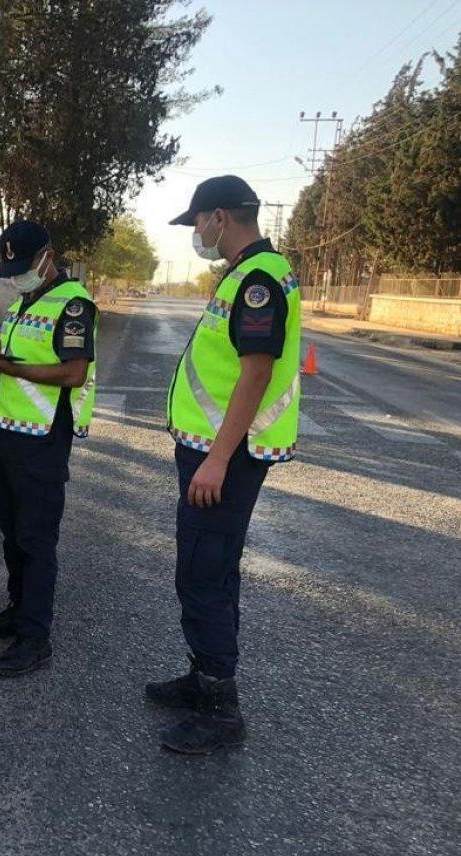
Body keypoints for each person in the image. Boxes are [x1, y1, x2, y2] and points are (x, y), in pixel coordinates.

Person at [147, 175, 301, 754]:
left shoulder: (258, 279)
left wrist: (216, 460)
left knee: (203, 571)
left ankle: (220, 709)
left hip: (226, 457)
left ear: (220, 217)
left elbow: (256, 373)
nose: (196, 232)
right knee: (211, 566)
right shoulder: (247, 272)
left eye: (198, 221)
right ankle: (204, 676)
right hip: (218, 451)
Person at [0, 221, 98, 677]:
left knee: (36, 541)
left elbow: (73, 373)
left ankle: (35, 637)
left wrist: (6, 367)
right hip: (6, 431)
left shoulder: (75, 305)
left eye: (24, 267)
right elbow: (25, 353)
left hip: (42, 440)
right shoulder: (27, 300)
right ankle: (18, 609)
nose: (17, 276)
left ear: (47, 257)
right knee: (12, 533)